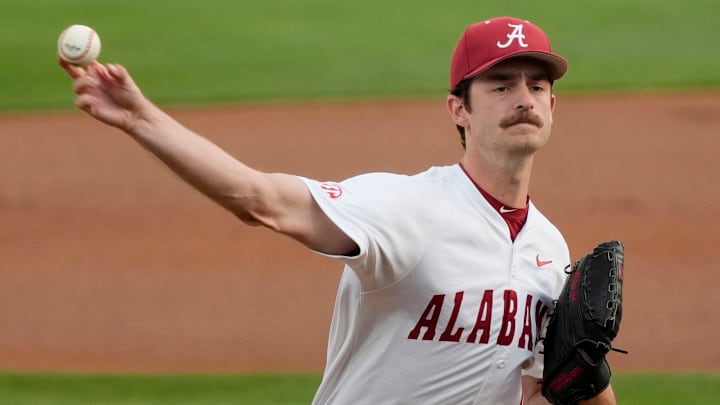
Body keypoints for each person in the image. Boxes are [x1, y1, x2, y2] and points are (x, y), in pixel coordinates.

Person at [60, 16, 617, 405]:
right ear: (459, 110)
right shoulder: (408, 208)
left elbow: (531, 391)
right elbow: (259, 200)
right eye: (500, 85)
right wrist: (141, 119)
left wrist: (589, 382)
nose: (523, 97)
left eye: (537, 85)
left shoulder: (550, 250)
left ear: (552, 104)